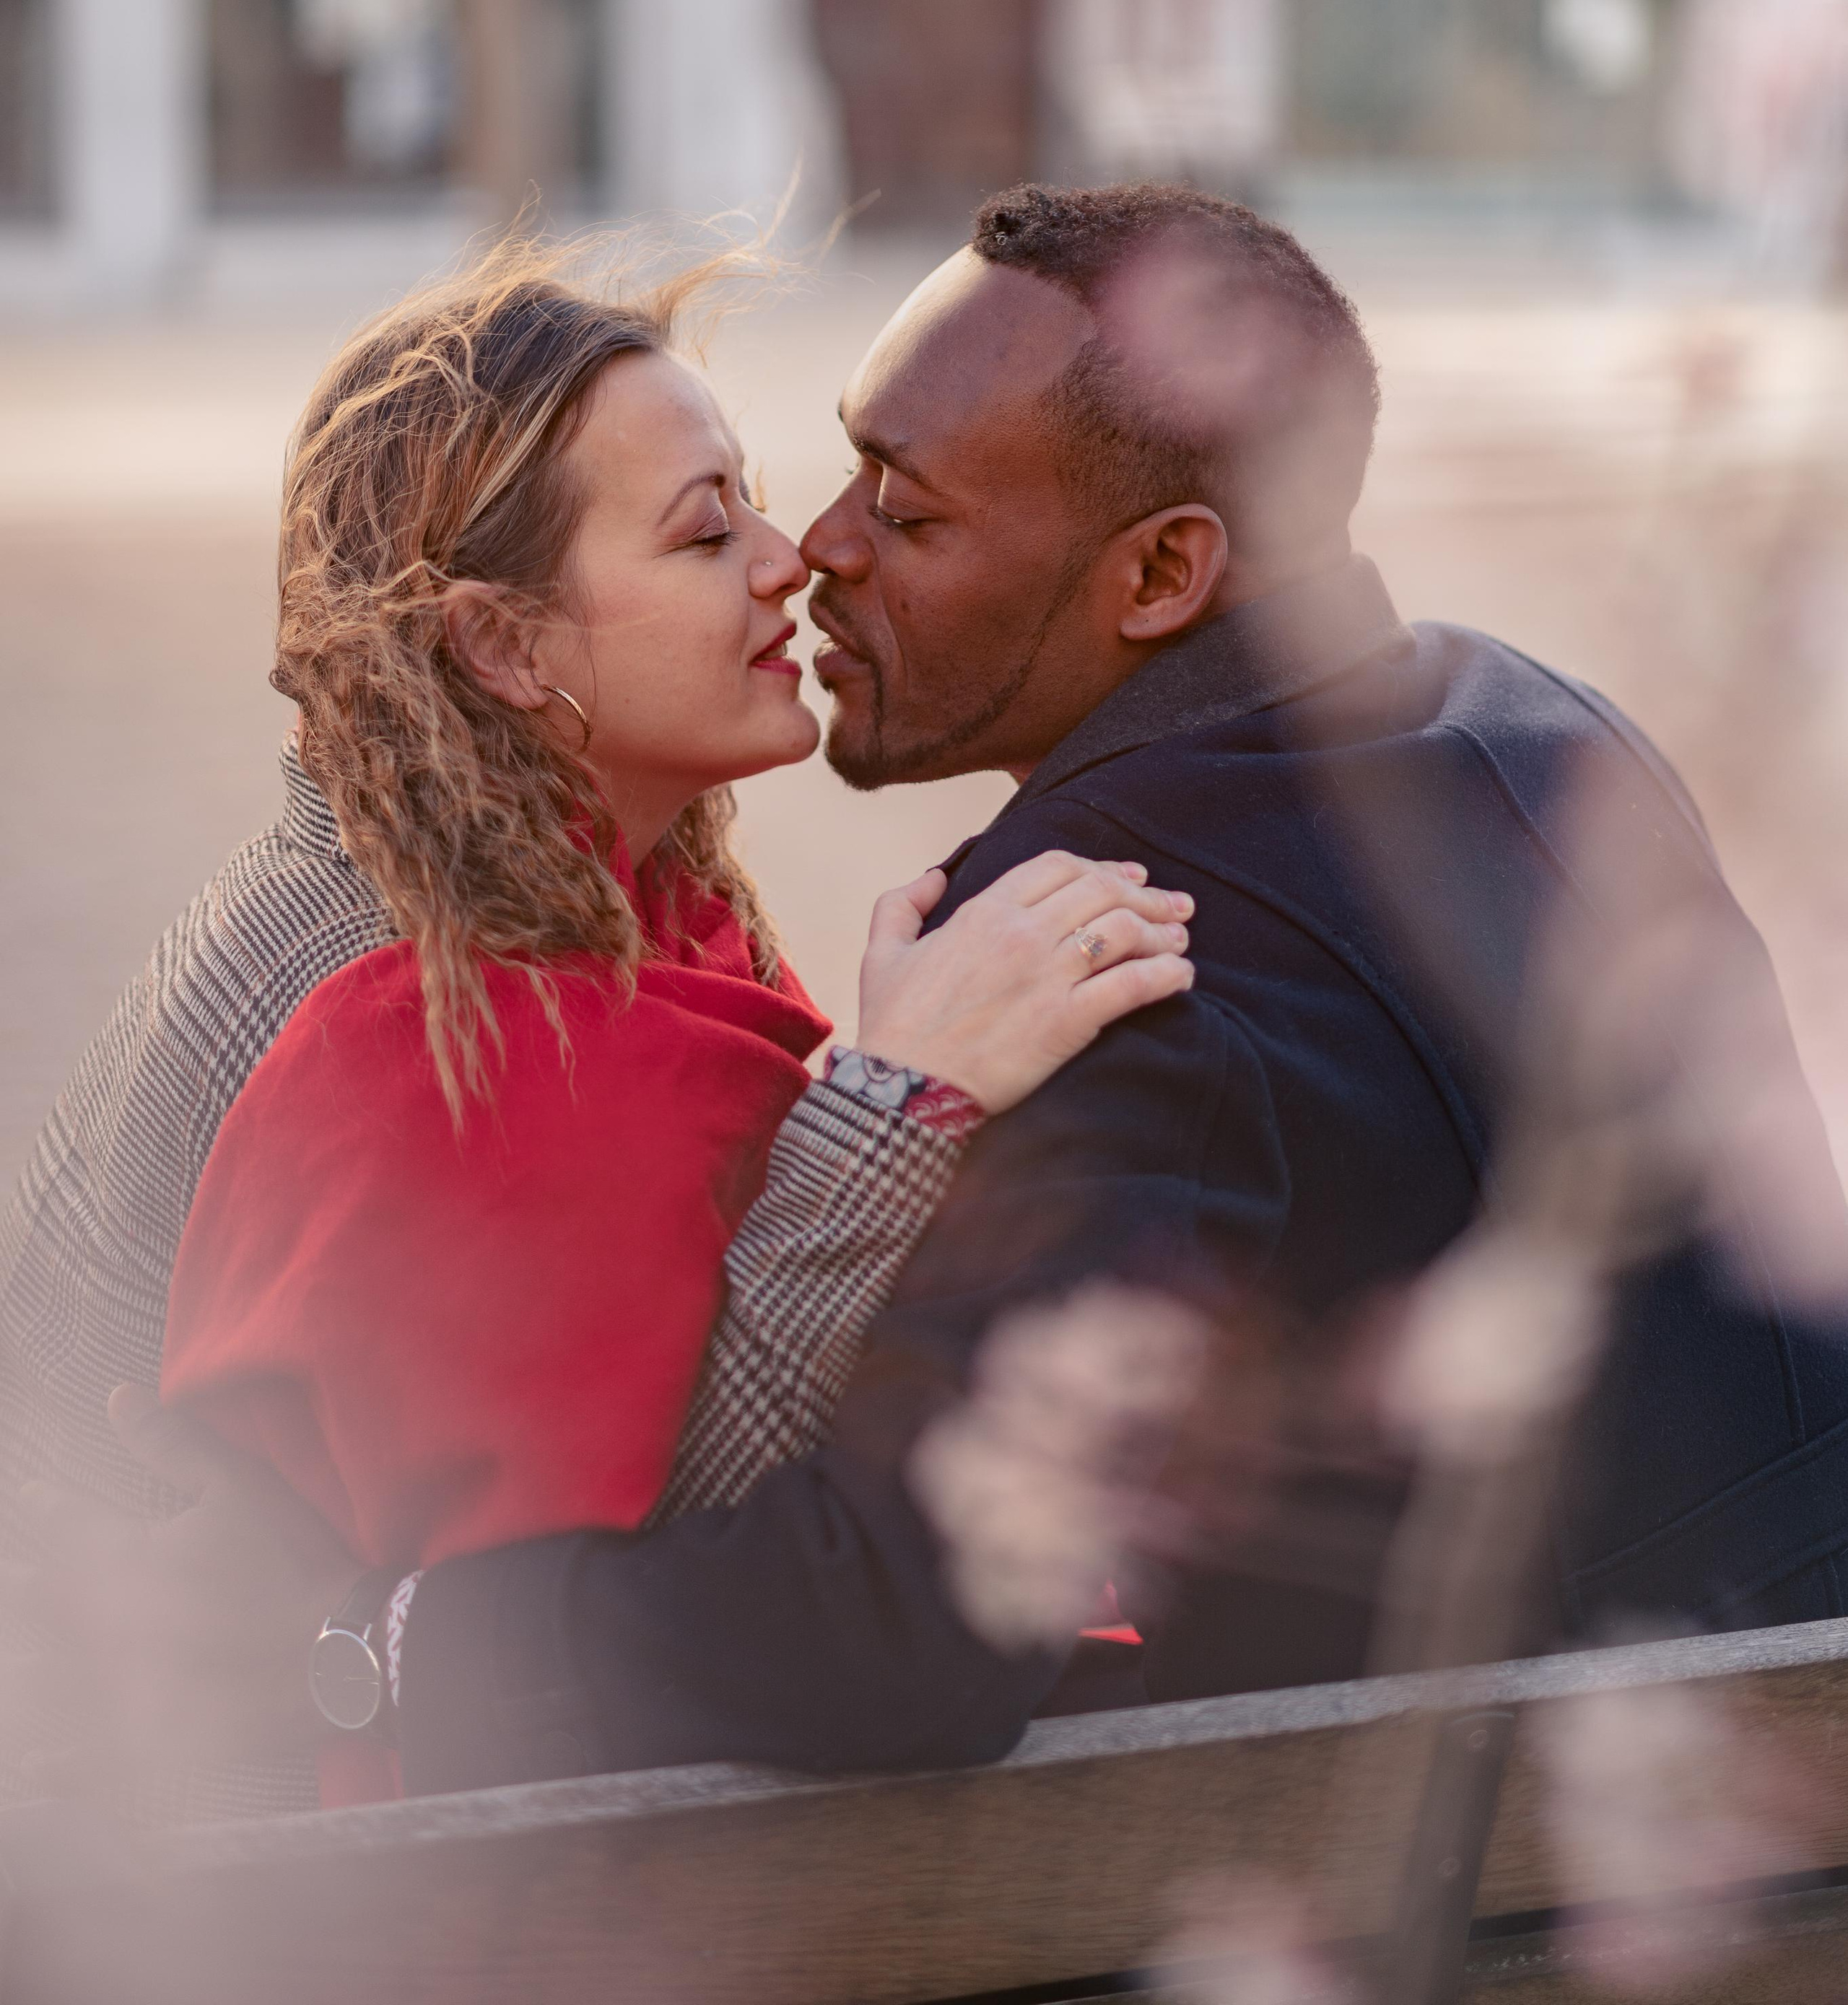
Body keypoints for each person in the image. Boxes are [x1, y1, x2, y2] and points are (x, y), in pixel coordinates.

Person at [19, 181, 1848, 1801]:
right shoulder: (1533, 723)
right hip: (1699, 1796)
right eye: (740, 506)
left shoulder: (1090, 926)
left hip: (1449, 1862)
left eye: (900, 507)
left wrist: (396, 1643)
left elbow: (887, 1616)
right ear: (497, 646)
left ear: (1157, 574)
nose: (811, 549)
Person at [0, 243, 1193, 1814]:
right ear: (503, 648)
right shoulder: (410, 1017)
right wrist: (898, 1102)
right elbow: (637, 1616)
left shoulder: (582, 903)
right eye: (707, 531)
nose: (793, 562)